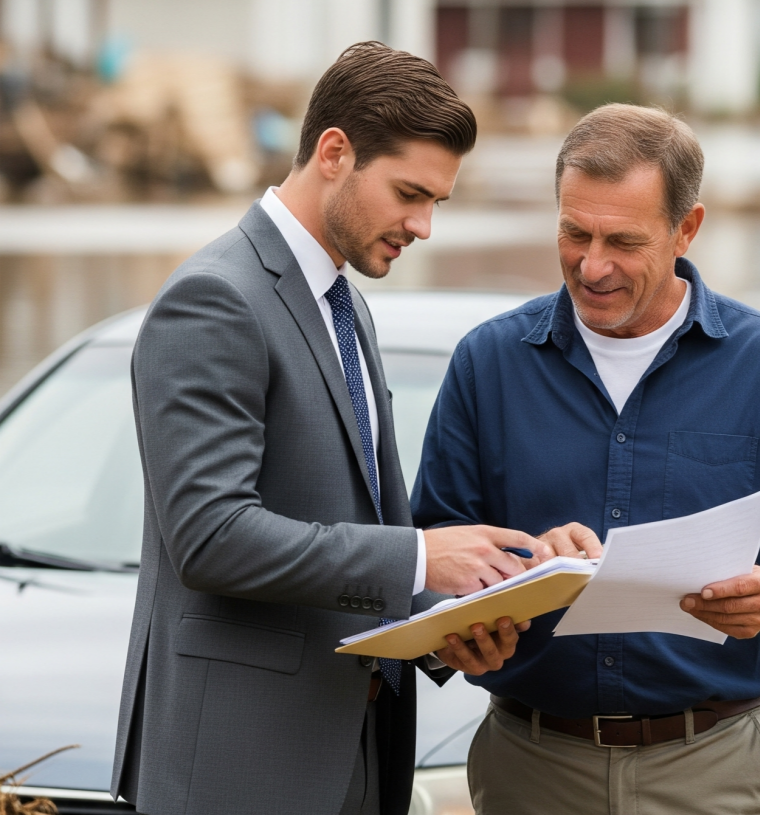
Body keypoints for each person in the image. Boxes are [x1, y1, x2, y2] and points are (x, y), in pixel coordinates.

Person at [111, 42, 551, 815]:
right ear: (335, 152)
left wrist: (455, 617)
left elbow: (347, 527)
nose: (422, 226)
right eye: (410, 193)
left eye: (437, 204)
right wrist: (419, 557)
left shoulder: (344, 304)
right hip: (236, 770)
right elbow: (211, 536)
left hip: (355, 755)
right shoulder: (216, 299)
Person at [412, 104, 760, 815]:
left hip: (716, 768)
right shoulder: (488, 363)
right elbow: (431, 551)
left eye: (623, 241)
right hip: (528, 768)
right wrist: (475, 609)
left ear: (686, 229)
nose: (591, 265)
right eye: (574, 233)